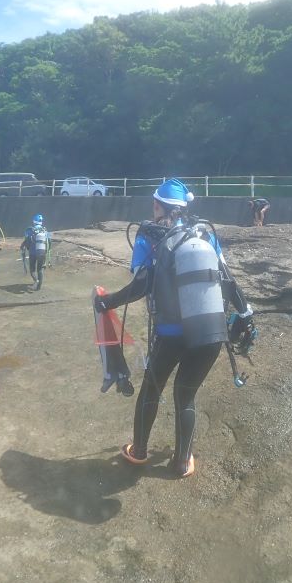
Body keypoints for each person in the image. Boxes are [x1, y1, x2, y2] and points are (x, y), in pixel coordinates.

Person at [94, 178, 254, 478]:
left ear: (158, 205)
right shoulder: (205, 234)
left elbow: (140, 285)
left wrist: (107, 303)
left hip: (170, 334)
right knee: (186, 395)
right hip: (209, 334)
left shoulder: (148, 236)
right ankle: (182, 462)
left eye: (154, 204)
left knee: (151, 390)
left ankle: (139, 452)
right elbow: (227, 279)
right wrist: (245, 312)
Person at [20, 214, 51, 290]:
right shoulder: (45, 230)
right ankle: (39, 287)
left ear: (34, 221)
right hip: (42, 252)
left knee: (32, 270)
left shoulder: (29, 230)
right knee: (40, 269)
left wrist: (26, 248)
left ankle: (36, 281)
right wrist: (46, 251)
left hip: (33, 253)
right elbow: (49, 242)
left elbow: (27, 241)